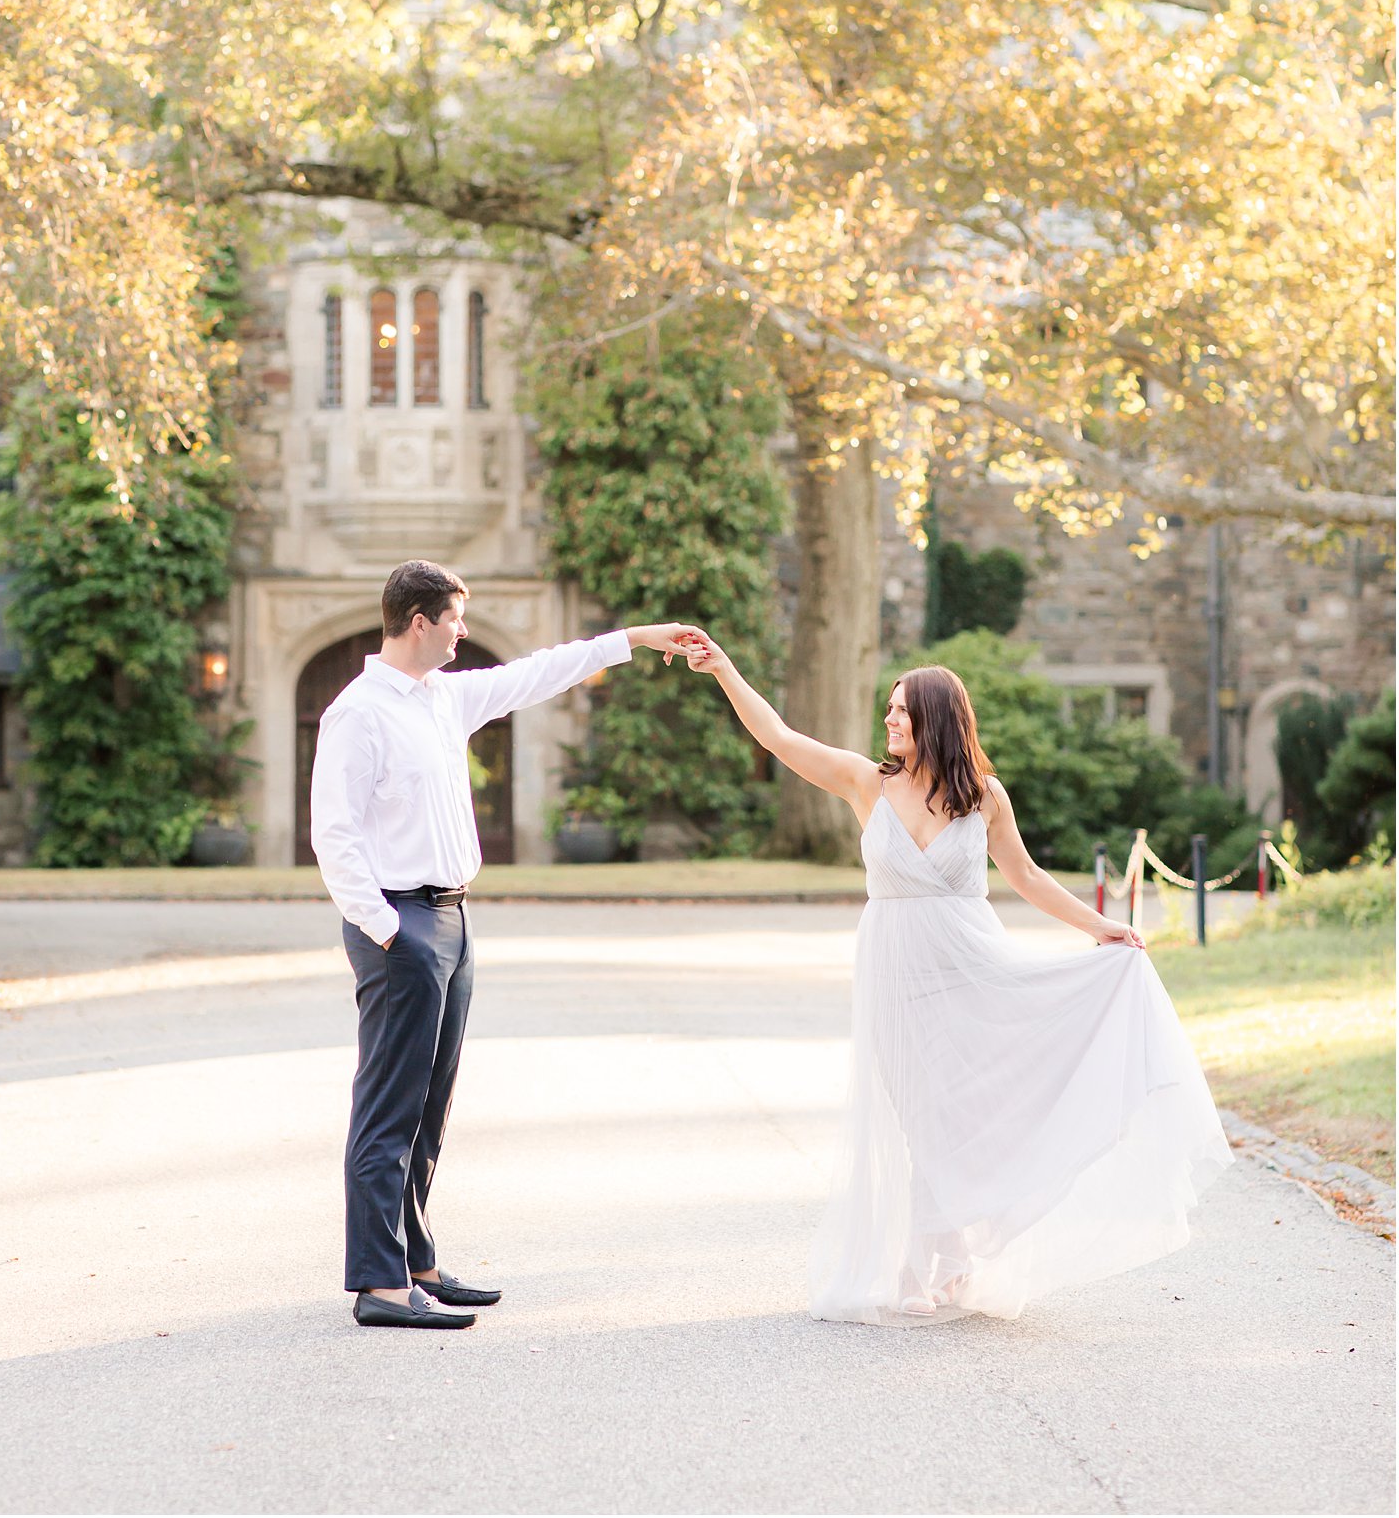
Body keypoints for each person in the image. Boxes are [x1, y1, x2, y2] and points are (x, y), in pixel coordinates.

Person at [681, 637, 1233, 1324]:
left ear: (937, 720)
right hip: (895, 978)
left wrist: (1100, 928)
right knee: (922, 1119)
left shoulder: (984, 797)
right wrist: (725, 668)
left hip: (973, 973)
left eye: (902, 712)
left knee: (968, 1119)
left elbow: (1026, 877)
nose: (889, 721)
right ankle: (944, 1258)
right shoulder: (866, 782)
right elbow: (779, 735)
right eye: (888, 709)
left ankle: (928, 1264)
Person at [310, 556, 702, 1330]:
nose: (464, 630)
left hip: (453, 917)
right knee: (388, 1108)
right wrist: (388, 930)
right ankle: (380, 1284)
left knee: (430, 1106)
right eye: (455, 618)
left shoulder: (444, 698)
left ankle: (416, 1259)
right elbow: (335, 834)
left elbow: (537, 673)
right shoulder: (358, 713)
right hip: (400, 923)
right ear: (418, 620)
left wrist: (635, 638)